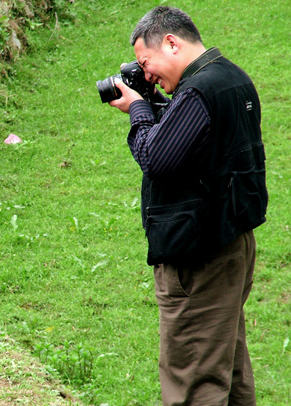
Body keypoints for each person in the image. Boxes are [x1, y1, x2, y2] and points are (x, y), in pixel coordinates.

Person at [107, 6, 267, 406]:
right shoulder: (232, 77)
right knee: (227, 366)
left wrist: (140, 110)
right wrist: (155, 107)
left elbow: (157, 160)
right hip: (232, 244)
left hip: (201, 259)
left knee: (194, 378)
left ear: (172, 43)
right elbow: (197, 146)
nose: (147, 75)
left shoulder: (198, 90)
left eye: (147, 62)